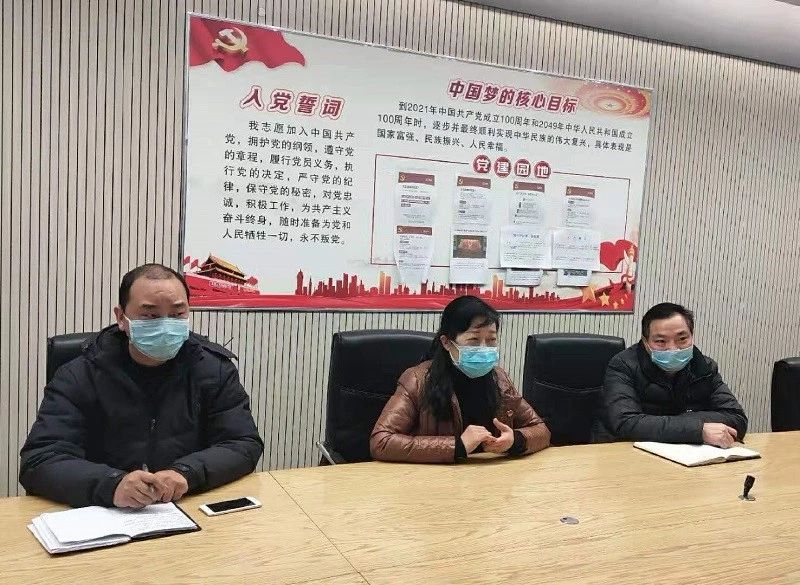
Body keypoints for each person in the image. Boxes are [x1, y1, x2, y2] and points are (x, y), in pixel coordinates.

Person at [20, 263, 264, 508]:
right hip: (103, 513)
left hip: (186, 506)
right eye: (150, 315)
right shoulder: (79, 375)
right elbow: (40, 459)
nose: (166, 326)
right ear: (121, 318)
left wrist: (187, 472)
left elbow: (242, 443)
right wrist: (112, 484)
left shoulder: (213, 370)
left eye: (177, 314)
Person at [370, 295, 550, 462]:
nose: (483, 348)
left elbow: (540, 429)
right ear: (447, 342)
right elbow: (381, 441)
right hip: (435, 478)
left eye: (491, 340)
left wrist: (515, 440)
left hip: (490, 475)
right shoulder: (417, 380)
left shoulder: (500, 379)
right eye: (474, 340)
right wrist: (458, 446)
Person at [601, 302, 747, 447]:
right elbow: (625, 423)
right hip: (628, 451)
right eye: (661, 341)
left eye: (682, 339)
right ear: (645, 342)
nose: (673, 348)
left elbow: (737, 418)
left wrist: (676, 427)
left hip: (690, 451)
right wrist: (697, 429)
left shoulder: (704, 367)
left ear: (692, 336)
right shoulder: (623, 365)